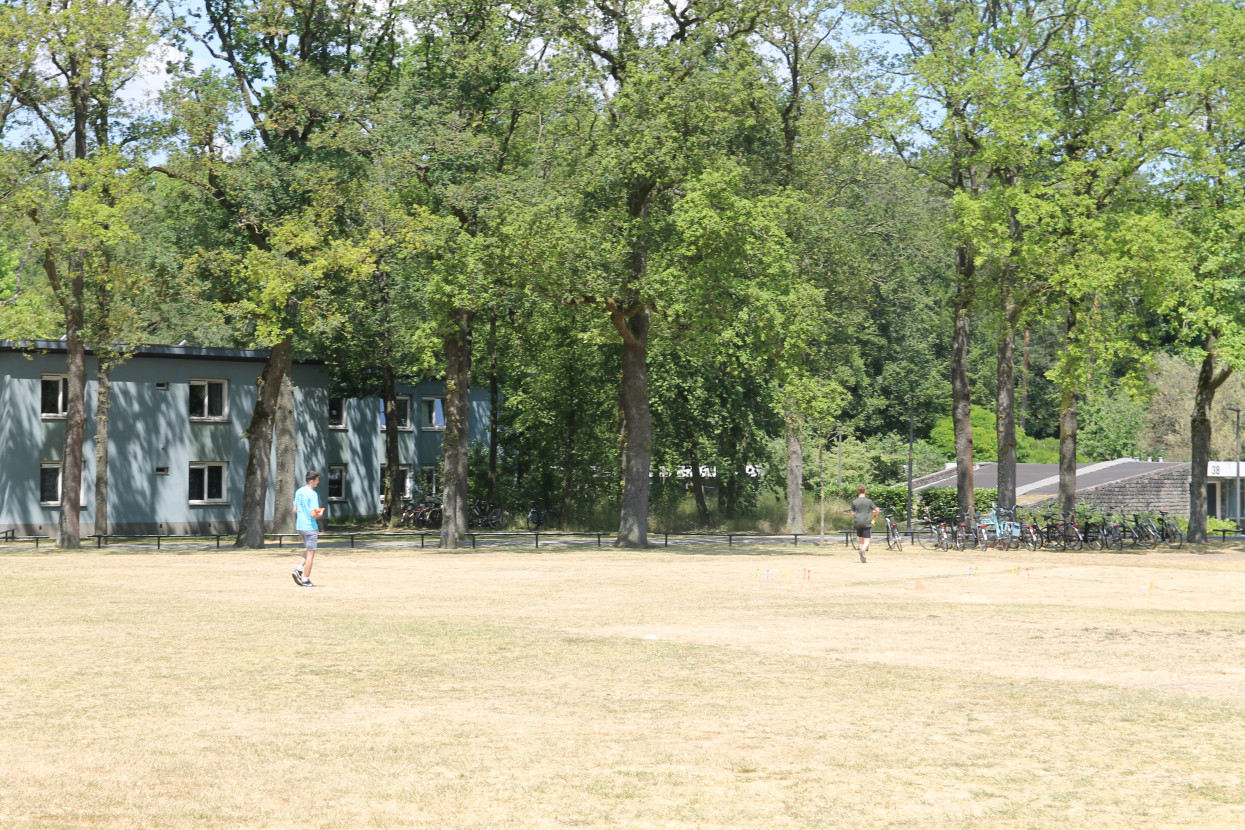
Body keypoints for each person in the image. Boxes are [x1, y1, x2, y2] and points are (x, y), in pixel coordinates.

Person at [292, 471, 323, 586]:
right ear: (311, 481)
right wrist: (320, 514)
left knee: (309, 550)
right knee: (311, 554)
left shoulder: (299, 491)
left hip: (300, 526)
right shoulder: (312, 494)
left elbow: (294, 510)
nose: (318, 482)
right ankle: (306, 580)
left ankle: (299, 569)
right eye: (317, 480)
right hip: (309, 527)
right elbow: (313, 514)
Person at [850, 485, 881, 563]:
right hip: (866, 522)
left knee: (861, 540)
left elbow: (852, 513)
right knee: (866, 541)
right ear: (865, 491)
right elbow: (877, 510)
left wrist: (857, 516)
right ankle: (863, 551)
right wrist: (875, 514)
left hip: (858, 522)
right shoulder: (869, 501)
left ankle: (861, 557)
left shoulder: (855, 501)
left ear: (858, 491)